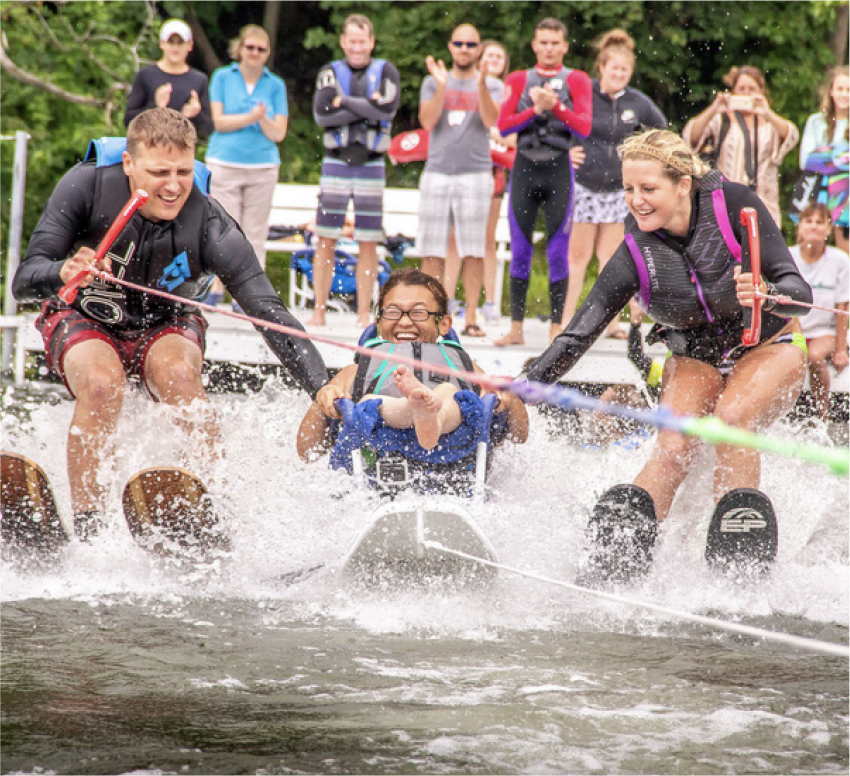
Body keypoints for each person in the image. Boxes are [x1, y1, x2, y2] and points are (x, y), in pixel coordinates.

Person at [12, 108, 329, 540]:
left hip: (168, 322)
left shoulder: (211, 223)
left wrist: (322, 388)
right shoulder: (84, 188)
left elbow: (270, 313)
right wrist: (63, 271)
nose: (175, 185)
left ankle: (217, 508)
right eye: (159, 172)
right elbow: (23, 283)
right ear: (128, 163)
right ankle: (89, 524)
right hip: (84, 317)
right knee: (102, 386)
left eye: (184, 171)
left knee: (179, 376)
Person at [523, 129, 813, 587]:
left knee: (732, 417)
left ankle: (737, 552)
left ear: (683, 184)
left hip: (769, 346)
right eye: (629, 190)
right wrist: (526, 385)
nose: (636, 201)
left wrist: (768, 293)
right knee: (675, 444)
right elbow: (578, 333)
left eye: (648, 189)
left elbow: (800, 294)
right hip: (694, 354)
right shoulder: (635, 250)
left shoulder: (736, 206)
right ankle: (624, 546)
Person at [297, 268, 528, 463]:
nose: (405, 322)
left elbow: (520, 436)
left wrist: (509, 398)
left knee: (449, 393)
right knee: (371, 404)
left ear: (444, 323)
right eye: (393, 312)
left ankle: (428, 415)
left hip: (448, 433)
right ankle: (413, 408)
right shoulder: (355, 371)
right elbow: (306, 451)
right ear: (378, 322)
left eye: (418, 313)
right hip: (383, 443)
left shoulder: (466, 368)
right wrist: (324, 399)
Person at [562, 29, 666, 339]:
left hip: (617, 192)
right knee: (577, 257)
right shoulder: (584, 95)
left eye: (625, 69)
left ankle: (610, 323)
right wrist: (566, 149)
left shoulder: (638, 103)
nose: (619, 73)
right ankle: (567, 318)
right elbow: (556, 123)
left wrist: (646, 163)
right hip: (584, 186)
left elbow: (662, 135)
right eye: (614, 68)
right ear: (602, 67)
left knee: (609, 260)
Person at [494, 18, 592, 346]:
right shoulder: (519, 78)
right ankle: (516, 327)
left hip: (558, 169)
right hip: (524, 168)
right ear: (534, 45)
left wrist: (557, 107)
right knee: (520, 249)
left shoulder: (577, 79)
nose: (549, 48)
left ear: (565, 46)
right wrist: (536, 110)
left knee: (557, 252)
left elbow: (584, 128)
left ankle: (555, 326)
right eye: (543, 42)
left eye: (555, 43)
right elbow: (504, 126)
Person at [308, 14, 401, 328]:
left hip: (371, 164)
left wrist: (344, 101)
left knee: (368, 241)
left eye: (363, 41)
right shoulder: (329, 72)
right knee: (326, 238)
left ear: (371, 42)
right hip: (336, 162)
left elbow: (386, 110)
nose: (358, 47)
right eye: (352, 41)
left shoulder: (386, 71)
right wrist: (366, 108)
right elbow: (323, 115)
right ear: (343, 42)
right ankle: (319, 309)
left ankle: (364, 313)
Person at [416, 24, 502, 340]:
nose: (464, 48)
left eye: (471, 44)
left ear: (478, 49)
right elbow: (427, 122)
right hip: (437, 172)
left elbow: (493, 121)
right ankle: (429, 315)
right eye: (459, 43)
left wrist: (479, 83)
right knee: (432, 250)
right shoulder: (432, 81)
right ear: (450, 47)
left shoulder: (492, 85)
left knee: (474, 250)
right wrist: (442, 87)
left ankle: (472, 317)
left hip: (476, 174)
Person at [204, 24, 287, 305]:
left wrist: (261, 118)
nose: (254, 52)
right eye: (249, 47)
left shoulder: (275, 84)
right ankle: (216, 289)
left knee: (255, 232)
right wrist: (253, 116)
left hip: (262, 166)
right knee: (224, 229)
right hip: (225, 163)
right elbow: (219, 122)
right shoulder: (222, 77)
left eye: (261, 49)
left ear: (267, 53)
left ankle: (250, 297)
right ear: (239, 48)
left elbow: (278, 133)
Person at [683, 65, 799, 227]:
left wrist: (766, 112)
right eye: (741, 89)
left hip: (763, 202)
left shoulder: (769, 124)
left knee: (762, 250)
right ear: (733, 92)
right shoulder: (722, 121)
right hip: (726, 200)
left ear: (761, 91)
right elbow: (691, 137)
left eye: (752, 89)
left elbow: (791, 136)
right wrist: (714, 108)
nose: (746, 94)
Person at [789, 202, 849, 421]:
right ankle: (783, 416)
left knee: (813, 356)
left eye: (819, 222)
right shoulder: (788, 256)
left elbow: (843, 308)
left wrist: (841, 349)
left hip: (825, 331)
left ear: (827, 229)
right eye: (809, 221)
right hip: (794, 328)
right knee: (788, 357)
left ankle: (823, 417)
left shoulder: (840, 260)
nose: (814, 227)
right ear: (800, 228)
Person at [124, 18, 212, 138]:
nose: (175, 48)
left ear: (190, 45)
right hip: (150, 145)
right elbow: (128, 121)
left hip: (183, 147)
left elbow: (208, 129)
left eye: (180, 43)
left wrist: (195, 114)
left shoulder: (199, 80)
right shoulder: (145, 75)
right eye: (171, 42)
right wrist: (155, 107)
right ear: (162, 43)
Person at [799, 65, 849, 252]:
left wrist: (825, 155)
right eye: (840, 89)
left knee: (845, 250)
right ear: (831, 91)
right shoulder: (816, 122)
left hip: (847, 196)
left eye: (848, 89)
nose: (844, 94)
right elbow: (806, 161)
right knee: (813, 245)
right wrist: (844, 158)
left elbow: (816, 158)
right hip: (818, 190)